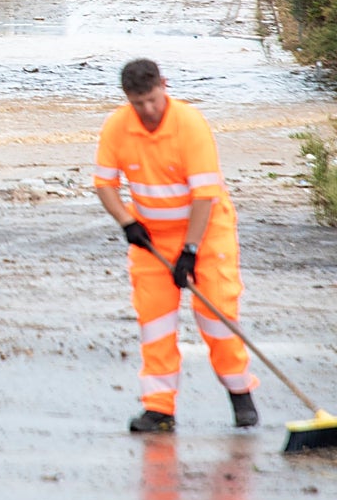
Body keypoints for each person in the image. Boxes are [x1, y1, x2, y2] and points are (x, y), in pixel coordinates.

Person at [94, 58, 259, 433]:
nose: (148, 110)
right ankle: (159, 410)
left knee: (216, 318)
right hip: (151, 240)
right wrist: (128, 222)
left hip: (207, 231)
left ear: (164, 86)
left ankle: (241, 395)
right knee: (154, 324)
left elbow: (204, 196)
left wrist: (190, 250)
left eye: (152, 99)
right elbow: (104, 183)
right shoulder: (118, 127)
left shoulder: (190, 125)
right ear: (127, 99)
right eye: (138, 104)